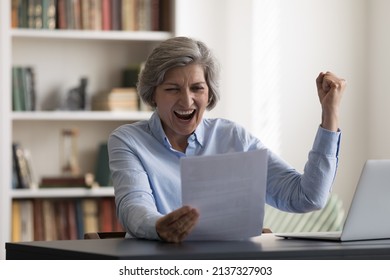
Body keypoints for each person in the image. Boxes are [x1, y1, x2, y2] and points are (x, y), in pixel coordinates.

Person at [108, 36, 346, 243]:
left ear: (209, 92)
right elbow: (134, 206)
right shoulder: (128, 141)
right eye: (172, 89)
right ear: (153, 94)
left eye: (197, 88)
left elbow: (307, 197)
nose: (187, 101)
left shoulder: (233, 137)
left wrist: (329, 113)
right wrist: (160, 227)